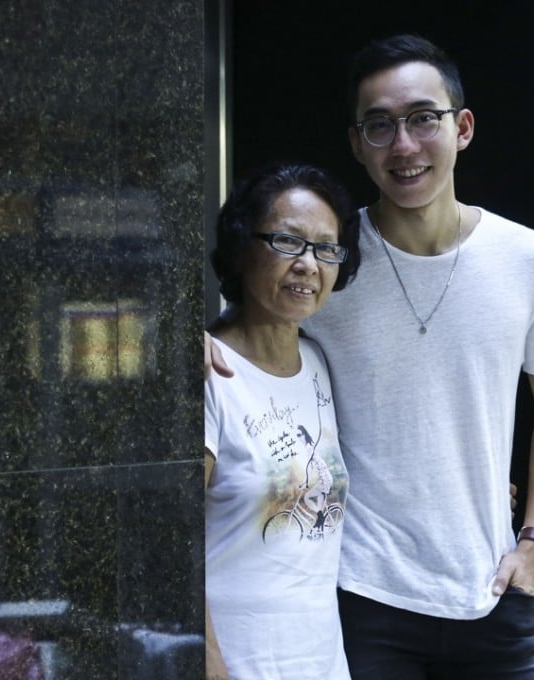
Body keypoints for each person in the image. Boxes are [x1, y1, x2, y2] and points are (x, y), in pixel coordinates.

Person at [208, 34, 534, 678]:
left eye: (422, 120)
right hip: (362, 598)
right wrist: (193, 342)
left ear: (462, 128)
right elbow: (253, 317)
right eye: (379, 126)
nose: (403, 146)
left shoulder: (530, 262)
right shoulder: (330, 258)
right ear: (357, 144)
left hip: (492, 590)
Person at [204, 162, 361, 679]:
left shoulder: (318, 362)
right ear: (242, 247)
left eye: (325, 248)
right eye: (288, 242)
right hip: (238, 664)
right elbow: (168, 549)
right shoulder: (210, 374)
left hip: (321, 663)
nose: (308, 265)